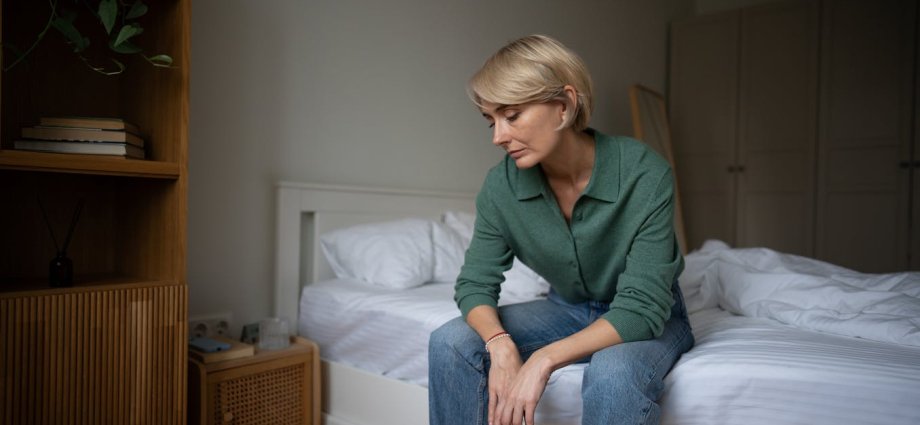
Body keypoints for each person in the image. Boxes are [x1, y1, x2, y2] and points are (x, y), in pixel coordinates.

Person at [428, 35, 694, 425]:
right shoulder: (500, 187)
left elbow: (640, 310)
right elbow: (474, 284)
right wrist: (501, 347)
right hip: (565, 308)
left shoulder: (643, 172)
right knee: (450, 341)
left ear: (565, 105)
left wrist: (543, 358)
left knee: (613, 372)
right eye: (491, 120)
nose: (497, 136)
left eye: (512, 115)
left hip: (650, 317)